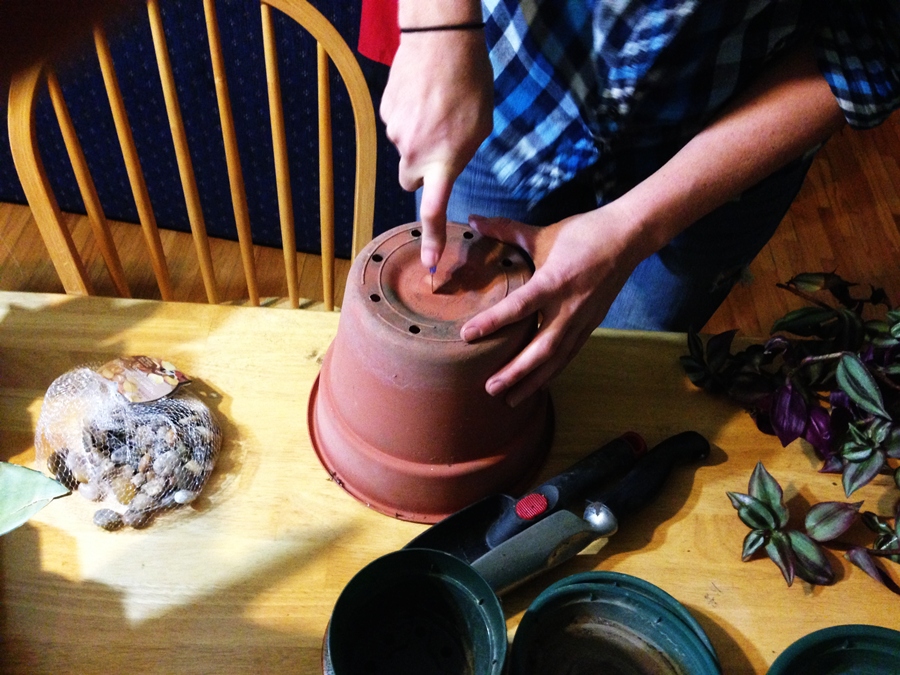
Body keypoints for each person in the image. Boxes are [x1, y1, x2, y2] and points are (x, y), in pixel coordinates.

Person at [372, 0, 900, 407]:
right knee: (449, 365)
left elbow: (870, 48)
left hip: (718, 165)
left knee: (602, 390)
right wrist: (436, 30)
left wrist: (633, 228)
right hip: (508, 80)